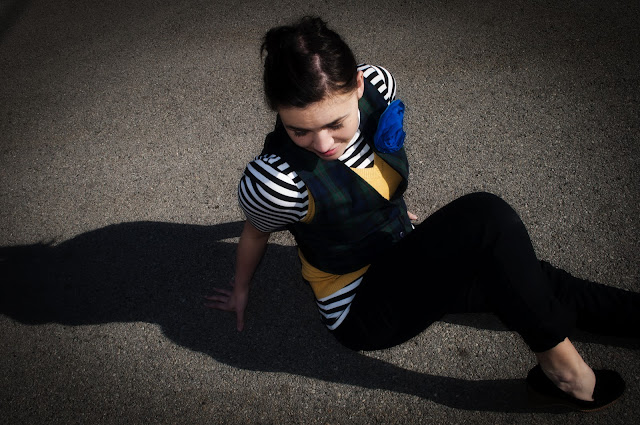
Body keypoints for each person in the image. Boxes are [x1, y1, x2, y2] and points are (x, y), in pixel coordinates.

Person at [204, 16, 638, 411]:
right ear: (278, 112)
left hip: (403, 250)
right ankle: (565, 372)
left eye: (336, 124)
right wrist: (242, 288)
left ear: (358, 86)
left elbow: (367, 173)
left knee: (533, 280)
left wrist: (388, 209)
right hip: (361, 304)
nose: (322, 145)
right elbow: (255, 232)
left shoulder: (380, 85)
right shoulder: (275, 181)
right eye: (299, 130)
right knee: (486, 219)